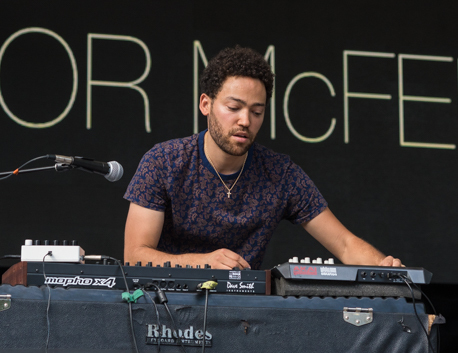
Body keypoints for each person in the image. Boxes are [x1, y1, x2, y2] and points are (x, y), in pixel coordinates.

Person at [123, 46, 402, 270]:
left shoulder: (280, 173)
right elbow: (134, 256)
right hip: (164, 308)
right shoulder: (163, 162)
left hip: (242, 316)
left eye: (257, 112)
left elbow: (343, 243)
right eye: (234, 107)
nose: (245, 120)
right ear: (205, 104)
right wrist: (202, 262)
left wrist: (384, 267)